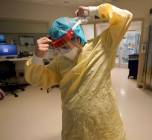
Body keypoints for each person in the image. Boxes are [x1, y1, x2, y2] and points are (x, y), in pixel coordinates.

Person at [25, 3, 133, 140]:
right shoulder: (60, 62)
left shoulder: (101, 47)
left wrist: (93, 11)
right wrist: (37, 57)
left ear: (76, 37)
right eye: (56, 49)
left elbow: (125, 17)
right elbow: (40, 80)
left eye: (64, 47)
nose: (60, 52)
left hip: (105, 125)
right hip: (75, 128)